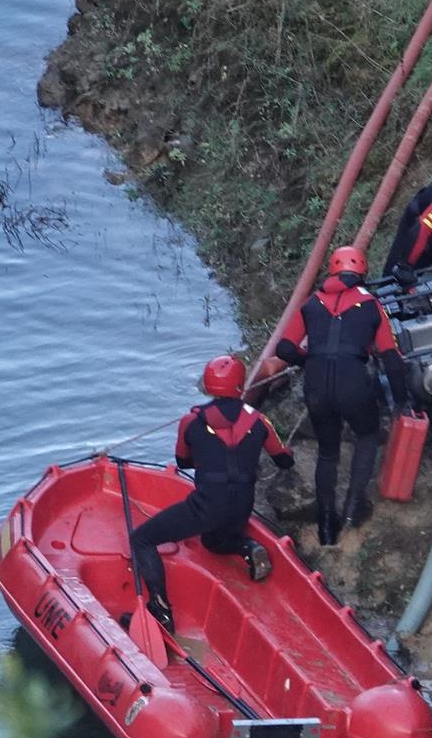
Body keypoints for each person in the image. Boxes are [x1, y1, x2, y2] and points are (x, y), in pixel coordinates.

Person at [129, 355, 294, 630]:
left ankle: (160, 611)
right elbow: (284, 459)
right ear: (241, 386)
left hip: (207, 506)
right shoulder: (259, 421)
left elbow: (183, 461)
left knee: (142, 540)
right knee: (212, 542)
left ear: (207, 385)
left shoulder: (191, 421)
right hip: (242, 506)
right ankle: (247, 546)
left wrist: (208, 458)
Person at [274, 246, 413, 545]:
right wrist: (401, 402)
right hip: (352, 383)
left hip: (316, 387)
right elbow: (391, 357)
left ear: (331, 272)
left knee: (327, 452)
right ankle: (352, 508)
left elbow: (283, 349)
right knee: (367, 434)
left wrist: (308, 361)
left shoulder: (311, 304)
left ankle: (326, 524)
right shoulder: (372, 305)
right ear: (362, 273)